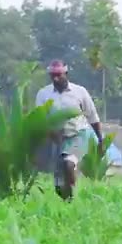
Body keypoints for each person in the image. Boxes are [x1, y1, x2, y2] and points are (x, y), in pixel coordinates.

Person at [35, 60, 101, 201]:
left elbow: (92, 116)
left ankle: (72, 198)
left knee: (69, 163)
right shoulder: (43, 94)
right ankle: (67, 199)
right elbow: (39, 119)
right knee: (59, 186)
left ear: (66, 74)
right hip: (56, 139)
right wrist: (49, 134)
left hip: (77, 134)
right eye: (52, 75)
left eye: (59, 75)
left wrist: (100, 139)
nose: (55, 78)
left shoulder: (80, 92)